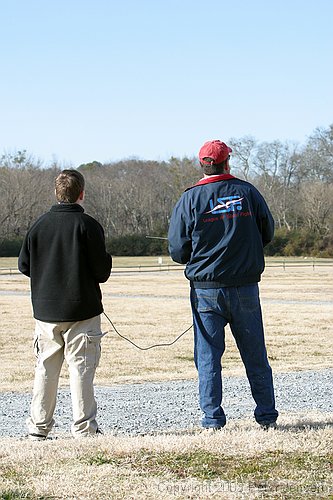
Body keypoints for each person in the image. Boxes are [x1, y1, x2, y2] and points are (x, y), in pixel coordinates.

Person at [168, 140, 278, 430]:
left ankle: (213, 419)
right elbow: (267, 232)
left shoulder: (190, 199)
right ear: (227, 162)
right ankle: (266, 416)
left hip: (206, 290)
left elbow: (178, 250)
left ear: (202, 164)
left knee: (208, 357)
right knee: (255, 355)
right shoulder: (248, 192)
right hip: (244, 287)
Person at [18, 169, 112, 440]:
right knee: (81, 367)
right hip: (83, 310)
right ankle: (84, 428)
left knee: (46, 367)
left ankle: (39, 427)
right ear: (81, 194)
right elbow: (101, 272)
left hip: (46, 311)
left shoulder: (39, 225)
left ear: (56, 193)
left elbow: (24, 265)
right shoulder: (88, 225)